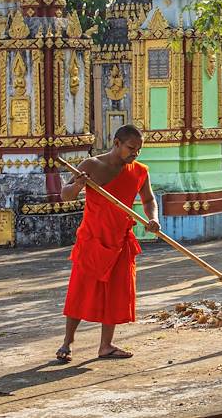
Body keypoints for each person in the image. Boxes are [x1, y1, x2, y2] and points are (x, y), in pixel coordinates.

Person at [56, 124, 160, 362]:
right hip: (93, 239)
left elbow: (148, 199)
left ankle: (106, 345)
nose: (135, 154)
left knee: (116, 293)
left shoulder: (140, 171)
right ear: (116, 143)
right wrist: (79, 185)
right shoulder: (91, 165)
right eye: (131, 148)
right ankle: (67, 343)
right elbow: (65, 195)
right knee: (80, 291)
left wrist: (153, 219)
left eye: (139, 150)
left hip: (121, 241)